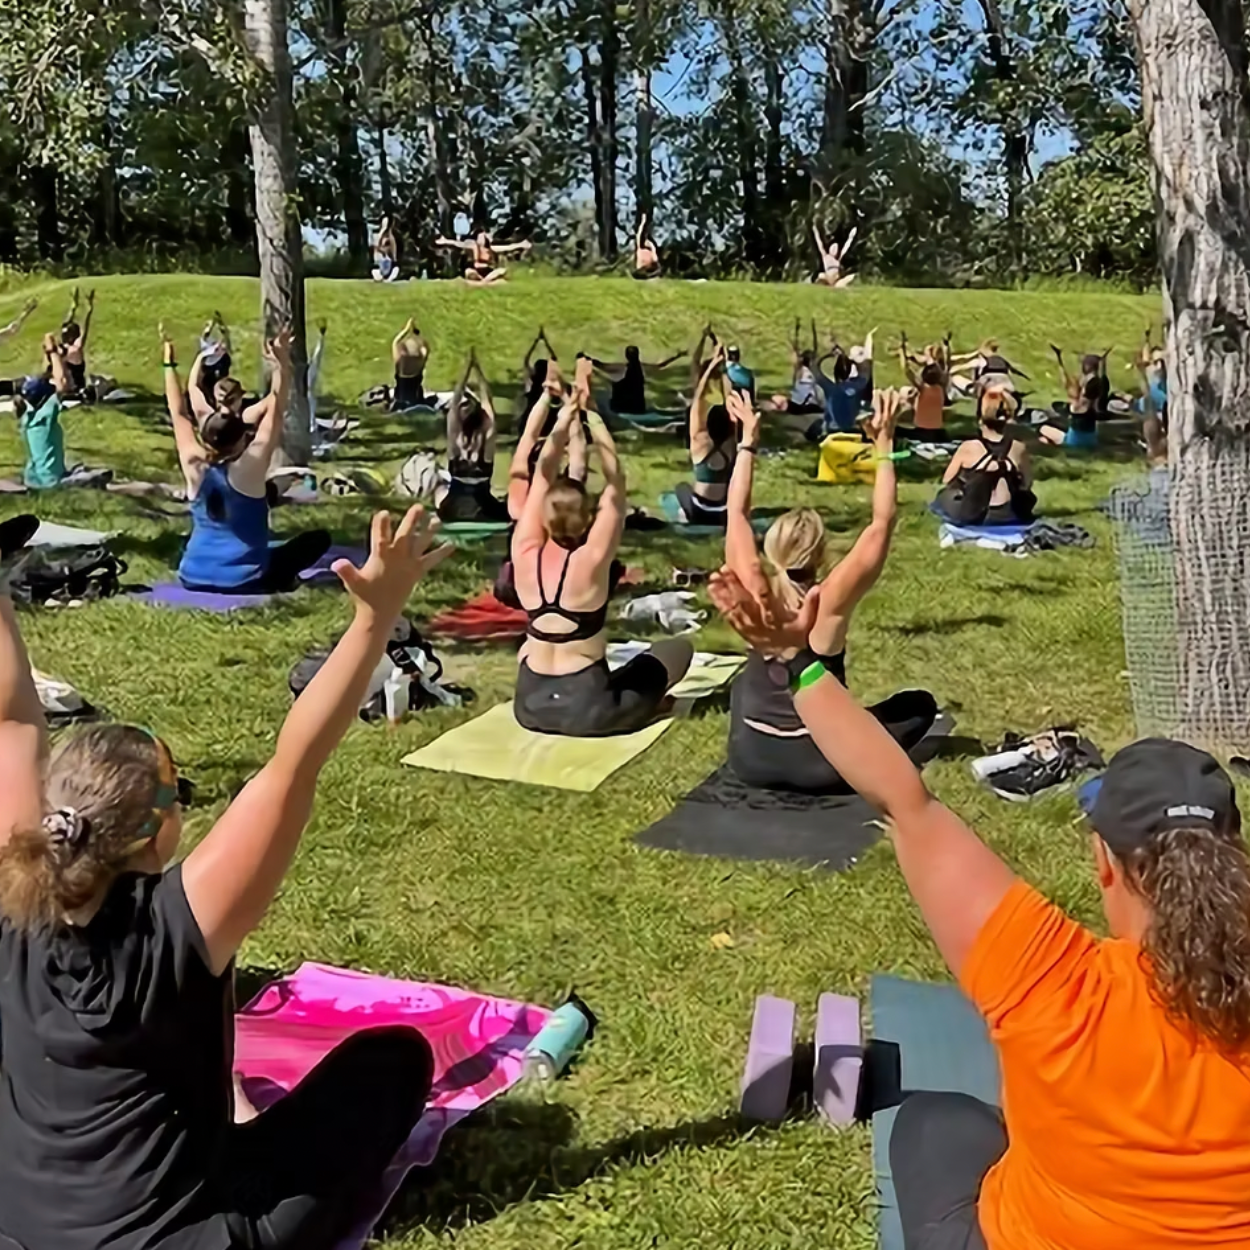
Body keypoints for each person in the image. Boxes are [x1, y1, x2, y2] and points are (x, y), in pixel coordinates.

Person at [709, 571, 1250, 1250]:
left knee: (937, 1122)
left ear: (1104, 862)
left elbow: (904, 802)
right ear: (1234, 853)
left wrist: (796, 663)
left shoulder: (1055, 985)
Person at [0, 503, 453, 1250]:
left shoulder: (15, 880)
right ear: (160, 827)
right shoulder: (184, 920)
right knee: (394, 1061)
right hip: (169, 1241)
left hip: (20, 1228)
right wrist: (375, 620)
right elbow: (294, 762)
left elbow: (15, 722)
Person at [723, 387, 936, 792]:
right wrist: (884, 443)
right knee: (918, 706)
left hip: (748, 758)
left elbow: (735, 512)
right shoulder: (828, 601)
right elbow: (881, 522)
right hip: (822, 765)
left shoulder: (755, 589)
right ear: (820, 555)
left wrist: (748, 440)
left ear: (772, 549)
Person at [511, 358, 692, 736]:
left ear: (542, 515)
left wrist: (563, 418)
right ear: (589, 519)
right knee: (679, 650)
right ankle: (648, 705)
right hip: (590, 710)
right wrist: (592, 415)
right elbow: (615, 481)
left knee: (533, 649)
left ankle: (639, 702)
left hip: (528, 706)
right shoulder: (592, 558)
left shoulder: (524, 550)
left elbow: (542, 473)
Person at [164, 327, 332, 593]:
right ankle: (283, 580)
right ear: (241, 439)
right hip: (244, 580)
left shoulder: (193, 463)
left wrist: (168, 363)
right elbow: (276, 410)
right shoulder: (249, 468)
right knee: (318, 539)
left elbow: (178, 413)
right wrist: (282, 365)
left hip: (191, 575)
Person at [937, 387, 1036, 527]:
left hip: (975, 515)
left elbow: (947, 480)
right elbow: (1027, 483)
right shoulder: (1018, 448)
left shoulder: (968, 447)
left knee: (943, 496)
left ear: (980, 419)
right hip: (1010, 514)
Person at [434, 349, 510, 523]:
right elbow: (488, 403)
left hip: (453, 509)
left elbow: (454, 404)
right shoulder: (486, 440)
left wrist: (467, 369)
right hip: (484, 510)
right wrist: (479, 372)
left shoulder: (456, 440)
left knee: (439, 489)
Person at [675, 344, 737, 528]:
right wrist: (725, 368)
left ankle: (685, 518)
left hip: (700, 512)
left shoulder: (698, 442)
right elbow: (731, 401)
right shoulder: (732, 444)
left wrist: (710, 369)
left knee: (681, 488)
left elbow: (697, 401)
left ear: (708, 424)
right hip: (723, 512)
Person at [14, 335, 73, 489]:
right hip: (53, 481)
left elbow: (45, 379)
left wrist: (50, 356)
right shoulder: (45, 416)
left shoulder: (28, 416)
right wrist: (52, 351)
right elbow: (62, 384)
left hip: (35, 480)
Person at [1041, 346, 1111, 449]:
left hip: (1074, 442)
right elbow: (1099, 380)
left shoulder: (1076, 405)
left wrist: (1059, 359)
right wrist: (1102, 363)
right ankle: (1052, 443)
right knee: (1051, 437)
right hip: (1092, 441)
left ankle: (1050, 444)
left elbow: (1066, 383)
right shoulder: (1096, 402)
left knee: (1043, 429)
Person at [592, 343, 686, 417]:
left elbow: (602, 365)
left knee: (614, 387)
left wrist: (588, 360)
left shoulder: (623, 367)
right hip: (638, 407)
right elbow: (660, 365)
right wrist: (678, 356)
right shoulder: (642, 367)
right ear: (638, 354)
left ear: (626, 356)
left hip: (623, 407)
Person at [814, 340, 872, 436]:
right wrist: (851, 361)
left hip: (833, 431)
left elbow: (815, 368)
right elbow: (866, 372)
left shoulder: (830, 388)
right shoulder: (858, 385)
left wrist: (827, 355)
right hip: (853, 430)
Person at [898, 333, 949, 441]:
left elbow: (906, 370)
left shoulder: (922, 389)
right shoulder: (942, 388)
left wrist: (902, 348)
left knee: (897, 431)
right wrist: (946, 347)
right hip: (938, 432)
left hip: (921, 431)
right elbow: (947, 365)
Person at [766, 320, 823, 416]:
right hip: (808, 406)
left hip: (800, 406)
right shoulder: (811, 372)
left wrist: (799, 331)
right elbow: (813, 350)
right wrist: (813, 331)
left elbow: (796, 352)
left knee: (777, 398)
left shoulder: (799, 371)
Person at [436, 230, 532, 285]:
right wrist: (445, 241)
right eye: (480, 236)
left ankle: (481, 284)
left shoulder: (491, 249)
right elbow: (458, 244)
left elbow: (508, 247)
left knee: (502, 271)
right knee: (469, 272)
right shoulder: (472, 246)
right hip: (475, 271)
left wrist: (521, 244)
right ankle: (486, 283)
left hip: (488, 272)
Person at [60, 287, 106, 401]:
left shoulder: (76, 348)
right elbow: (65, 325)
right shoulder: (67, 345)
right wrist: (73, 307)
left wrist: (89, 311)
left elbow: (85, 329)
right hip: (67, 384)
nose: (64, 335)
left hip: (76, 388)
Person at [389, 318, 435, 412]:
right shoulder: (420, 364)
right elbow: (426, 348)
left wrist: (406, 330)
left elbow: (395, 342)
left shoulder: (399, 364)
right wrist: (417, 334)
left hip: (399, 403)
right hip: (417, 403)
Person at [519, 326, 559, 422]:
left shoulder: (531, 384)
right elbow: (554, 359)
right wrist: (545, 342)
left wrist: (536, 342)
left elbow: (526, 360)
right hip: (547, 416)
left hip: (530, 415)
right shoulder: (548, 384)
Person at [813, 222, 857, 288]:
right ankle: (820, 286)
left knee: (852, 276)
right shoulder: (825, 257)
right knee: (821, 275)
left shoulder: (838, 258)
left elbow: (846, 246)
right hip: (827, 279)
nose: (834, 249)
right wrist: (815, 232)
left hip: (837, 281)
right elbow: (819, 244)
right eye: (833, 248)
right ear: (829, 249)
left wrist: (851, 236)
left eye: (836, 248)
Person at [372, 216, 400, 281]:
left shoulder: (391, 239)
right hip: (379, 267)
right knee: (375, 273)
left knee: (396, 269)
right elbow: (376, 248)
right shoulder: (378, 238)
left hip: (389, 267)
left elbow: (394, 257)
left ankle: (389, 278)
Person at [634, 213, 661, 278]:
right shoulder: (640, 249)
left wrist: (651, 246)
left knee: (656, 269)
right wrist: (643, 222)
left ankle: (649, 275)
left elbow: (655, 260)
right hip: (641, 269)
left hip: (649, 269)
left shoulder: (651, 252)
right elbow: (639, 234)